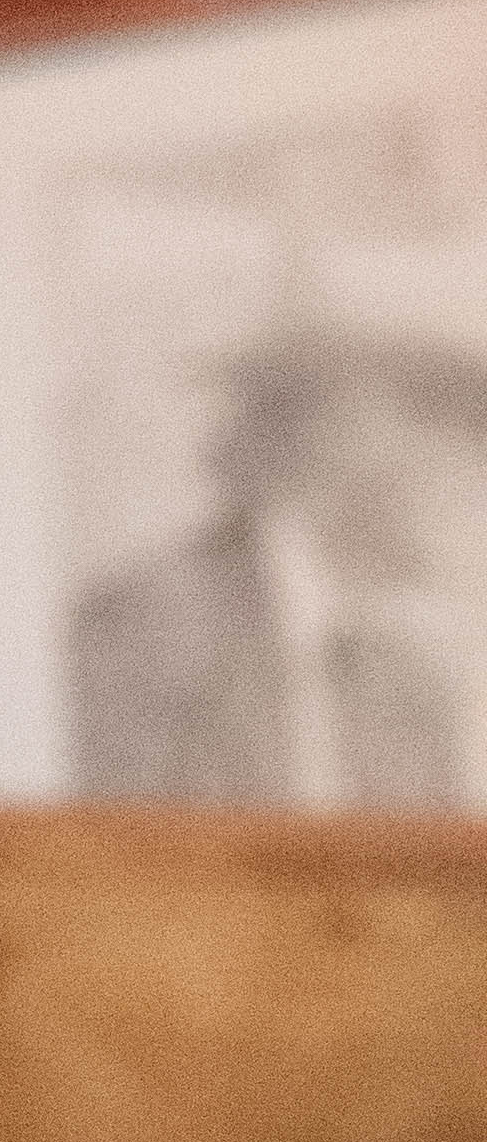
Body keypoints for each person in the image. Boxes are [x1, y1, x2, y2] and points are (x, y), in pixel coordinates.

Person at [71, 324, 487, 803]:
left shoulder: (413, 676)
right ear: (342, 443)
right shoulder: (141, 627)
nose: (468, 499)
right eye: (448, 456)